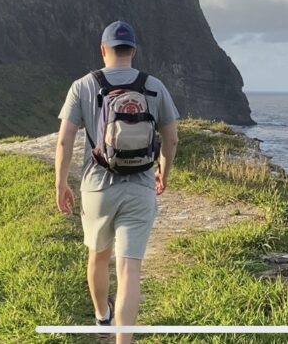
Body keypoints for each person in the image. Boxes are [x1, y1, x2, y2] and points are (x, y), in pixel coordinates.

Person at [55, 20, 180, 344]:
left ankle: (102, 319)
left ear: (103, 49)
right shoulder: (154, 86)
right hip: (139, 188)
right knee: (129, 270)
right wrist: (162, 174)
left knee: (98, 256)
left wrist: (60, 184)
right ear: (133, 51)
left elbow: (65, 141)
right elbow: (172, 138)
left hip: (96, 187)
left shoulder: (83, 86)